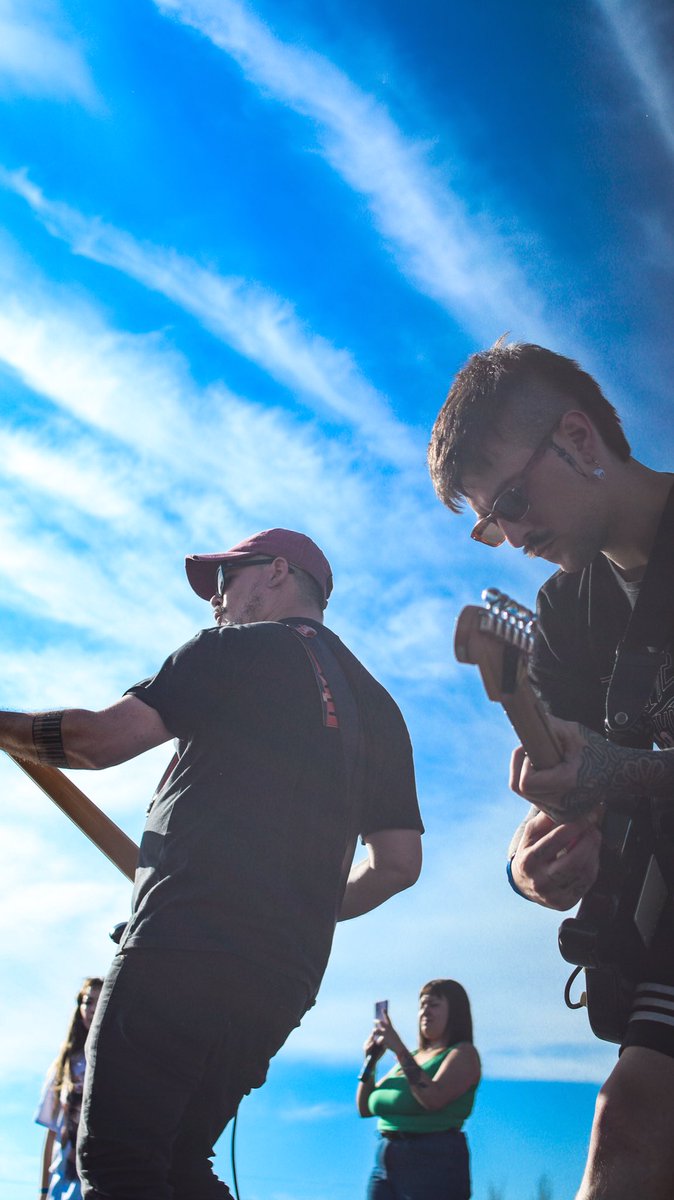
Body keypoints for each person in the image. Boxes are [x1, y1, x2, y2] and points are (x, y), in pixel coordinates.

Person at [1, 528, 422, 1199]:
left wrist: (2, 725)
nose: (216, 602)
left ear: (277, 572)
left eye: (226, 580)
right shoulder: (381, 709)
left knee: (119, 1165)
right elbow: (399, 864)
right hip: (284, 975)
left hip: (182, 946)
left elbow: (98, 740)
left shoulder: (232, 652)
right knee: (178, 1164)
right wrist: (299, 900)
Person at [427, 339, 674, 1200]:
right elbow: (582, 785)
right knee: (630, 1122)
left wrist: (621, 775)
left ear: (578, 437)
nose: (514, 536)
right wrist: (532, 865)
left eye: (516, 501)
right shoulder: (564, 614)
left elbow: (615, 770)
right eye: (493, 522)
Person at [357, 979, 480, 1200]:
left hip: (434, 1161)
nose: (425, 1011)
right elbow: (365, 1108)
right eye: (422, 1005)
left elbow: (433, 1099)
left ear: (454, 1012)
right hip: (386, 1160)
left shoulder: (463, 1053)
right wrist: (371, 1062)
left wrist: (399, 1049)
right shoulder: (412, 1058)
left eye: (433, 1005)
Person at [35, 977, 103, 1200]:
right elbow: (52, 1131)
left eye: (99, 1001)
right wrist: (43, 1192)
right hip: (63, 1185)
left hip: (103, 1181)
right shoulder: (64, 1066)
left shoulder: (117, 1063)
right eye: (88, 1001)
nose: (93, 1008)